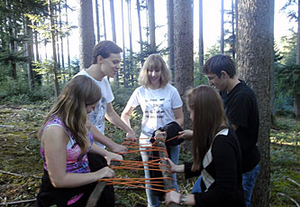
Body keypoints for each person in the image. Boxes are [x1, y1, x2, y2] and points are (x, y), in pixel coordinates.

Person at [36, 75, 123, 207]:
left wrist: (107, 154)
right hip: (62, 197)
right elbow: (58, 180)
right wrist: (98, 174)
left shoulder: (77, 119)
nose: (92, 110)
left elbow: (82, 144)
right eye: (91, 107)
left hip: (82, 187)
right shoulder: (55, 131)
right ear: (78, 104)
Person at [165, 85, 245, 207]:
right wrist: (177, 168)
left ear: (202, 112)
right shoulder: (216, 133)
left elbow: (225, 194)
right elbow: (209, 165)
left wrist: (182, 198)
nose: (191, 117)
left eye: (191, 112)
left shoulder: (223, 142)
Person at [121, 54, 184, 207]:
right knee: (150, 178)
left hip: (168, 141)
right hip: (146, 141)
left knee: (170, 176)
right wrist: (129, 131)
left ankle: (173, 203)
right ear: (145, 71)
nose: (153, 74)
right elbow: (125, 114)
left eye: (157, 70)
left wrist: (168, 131)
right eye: (150, 70)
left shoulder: (171, 91)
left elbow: (180, 118)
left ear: (163, 71)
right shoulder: (140, 91)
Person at [203, 54, 260, 207]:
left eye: (211, 78)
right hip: (229, 162)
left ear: (224, 74)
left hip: (244, 165)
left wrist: (196, 135)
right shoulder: (224, 92)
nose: (210, 83)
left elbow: (225, 131)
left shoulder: (242, 96)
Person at [75, 40, 137, 170]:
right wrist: (112, 145)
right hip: (82, 148)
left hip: (98, 148)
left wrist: (128, 130)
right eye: (115, 62)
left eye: (119, 62)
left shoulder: (104, 81)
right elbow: (84, 124)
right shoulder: (80, 82)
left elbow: (109, 113)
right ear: (100, 59)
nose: (118, 66)